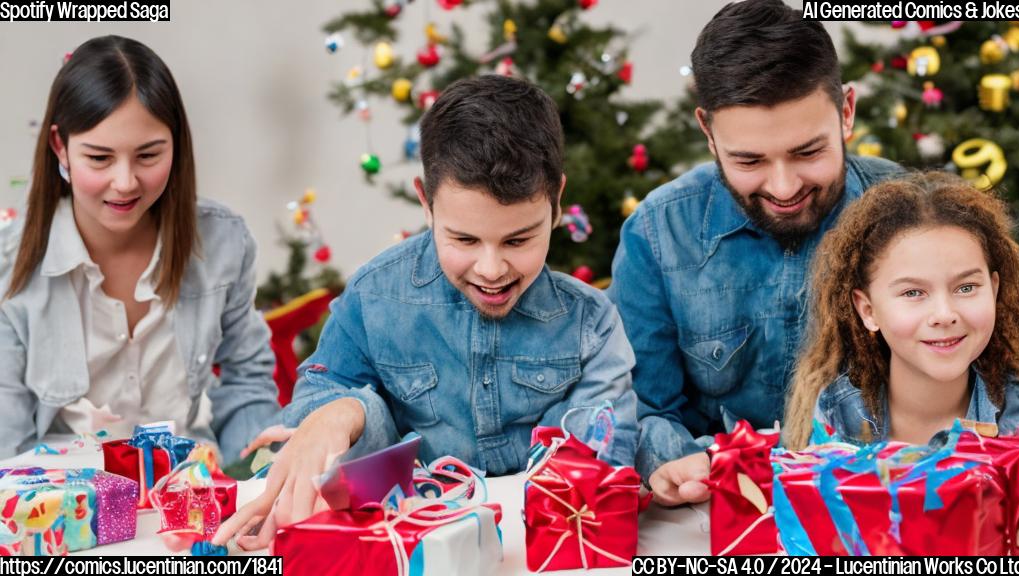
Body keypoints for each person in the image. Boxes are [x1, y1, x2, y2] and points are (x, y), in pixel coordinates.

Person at [214, 75, 639, 550]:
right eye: (463, 239)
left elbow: (598, 465)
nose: (492, 269)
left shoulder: (592, 326)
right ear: (425, 201)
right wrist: (344, 411)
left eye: (518, 240)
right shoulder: (375, 297)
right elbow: (313, 414)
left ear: (557, 202)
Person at [607, 0, 903, 506]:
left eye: (808, 152)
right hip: (718, 514)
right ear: (708, 132)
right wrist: (672, 460)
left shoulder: (913, 216)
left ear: (846, 112)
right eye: (749, 160)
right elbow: (641, 407)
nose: (784, 187)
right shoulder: (656, 234)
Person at [0, 35, 279, 461]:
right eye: (99, 158)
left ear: (176, 145)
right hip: (64, 507)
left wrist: (258, 475)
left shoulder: (224, 242)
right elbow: (7, 445)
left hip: (190, 493)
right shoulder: (11, 264)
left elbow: (247, 380)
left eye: (148, 156)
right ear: (61, 147)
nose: (126, 182)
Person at [784, 172, 1019, 448]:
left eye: (966, 287)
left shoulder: (1018, 418)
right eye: (913, 293)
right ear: (868, 310)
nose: (945, 314)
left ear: (993, 290)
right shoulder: (834, 416)